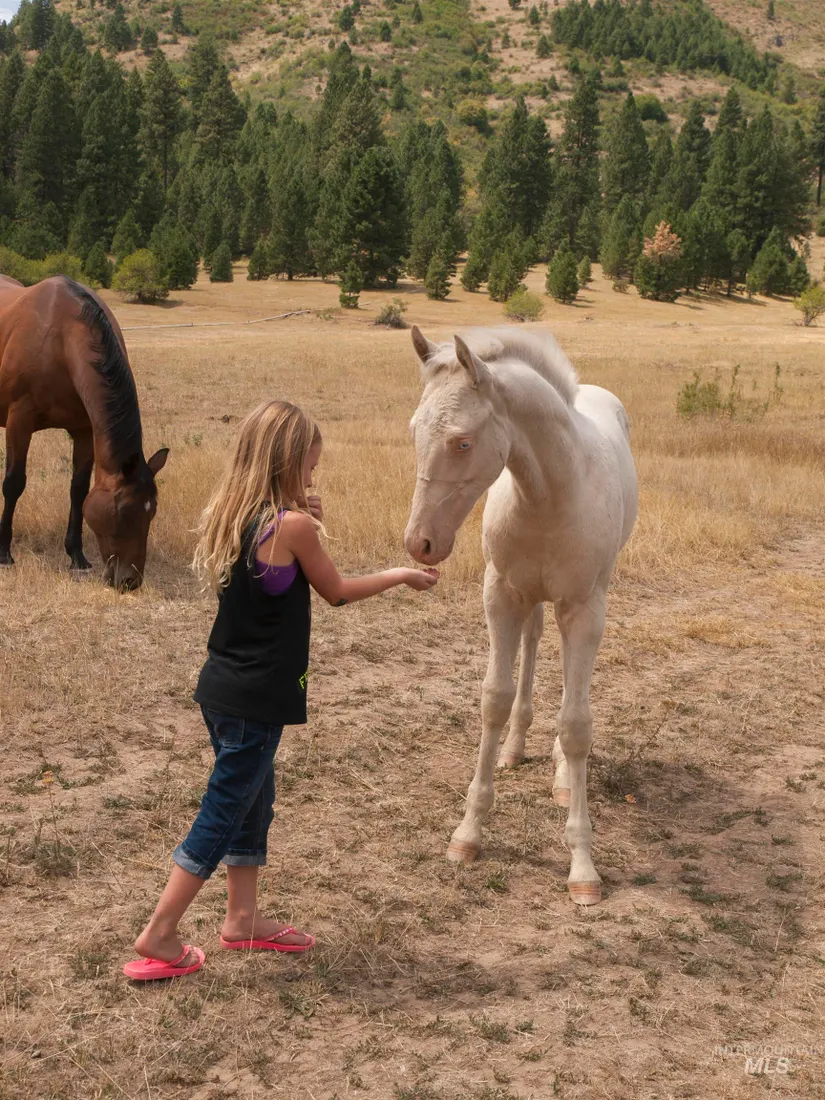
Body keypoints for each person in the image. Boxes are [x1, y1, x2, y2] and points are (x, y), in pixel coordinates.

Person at [123, 400, 438, 980]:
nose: (314, 477)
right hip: (257, 697)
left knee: (252, 800)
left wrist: (302, 512)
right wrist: (401, 575)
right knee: (224, 811)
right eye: (309, 467)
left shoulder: (237, 512)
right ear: (287, 461)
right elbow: (336, 590)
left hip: (222, 687)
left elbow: (276, 566)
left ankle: (242, 918)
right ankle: (160, 933)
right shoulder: (292, 526)